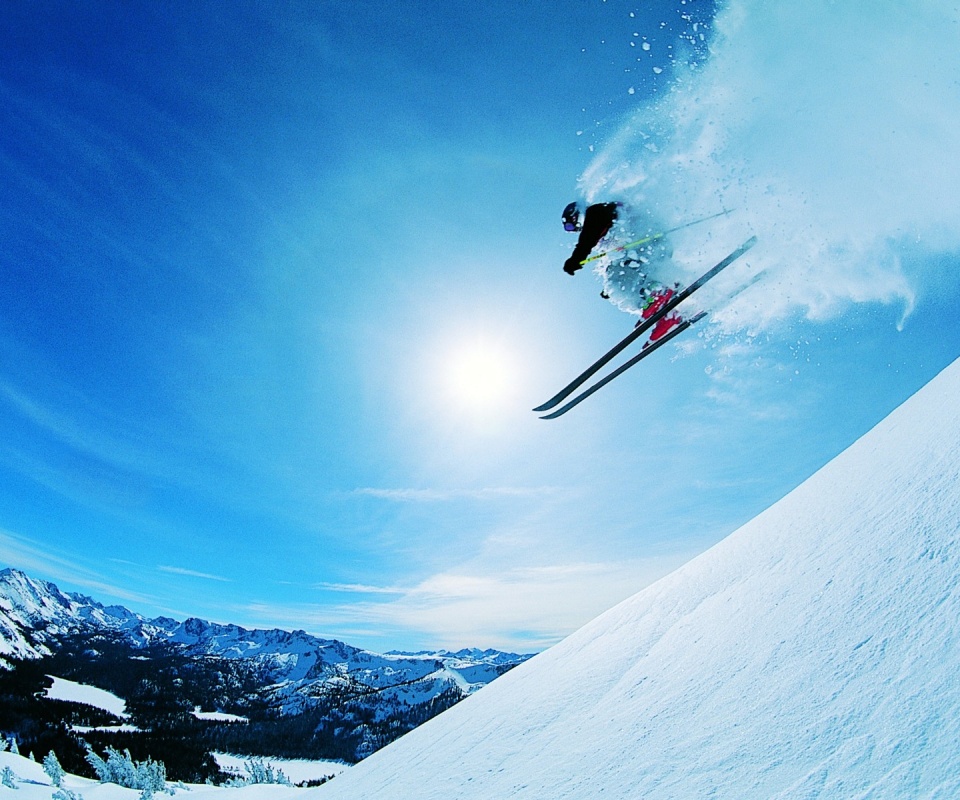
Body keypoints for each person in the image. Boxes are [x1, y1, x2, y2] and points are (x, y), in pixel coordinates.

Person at [561, 200, 682, 341]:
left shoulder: (596, 212)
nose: (575, 229)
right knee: (619, 282)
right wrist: (610, 289)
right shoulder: (605, 224)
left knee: (617, 279)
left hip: (650, 244)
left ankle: (657, 292)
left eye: (571, 225)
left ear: (576, 215)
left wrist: (575, 259)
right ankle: (669, 314)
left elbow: (587, 240)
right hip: (652, 248)